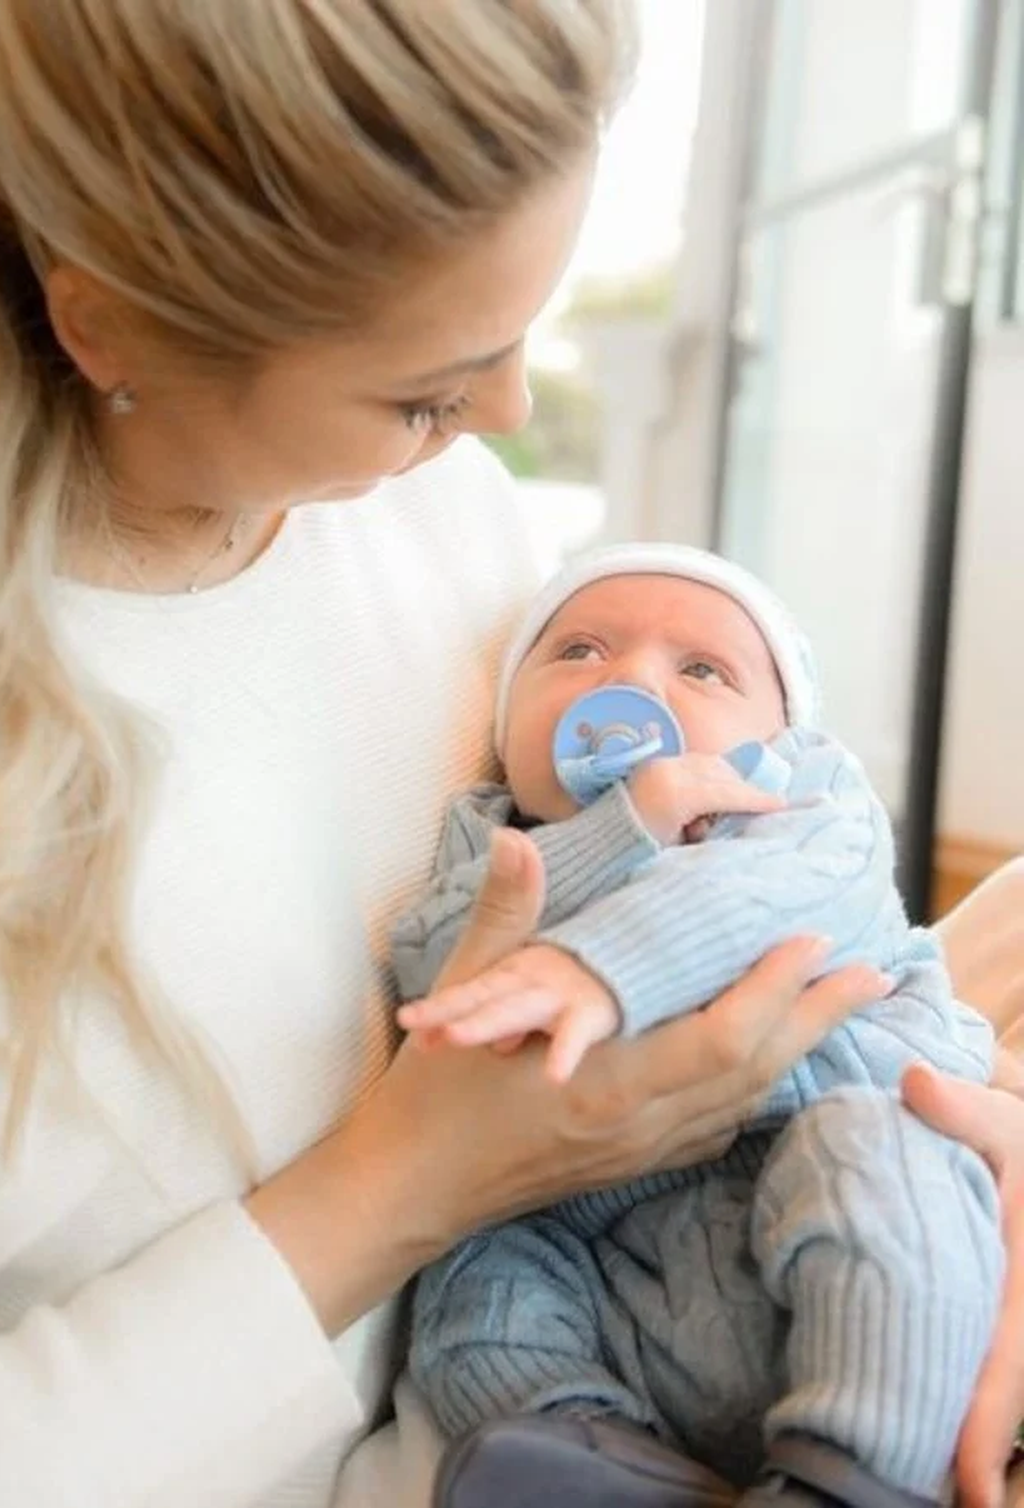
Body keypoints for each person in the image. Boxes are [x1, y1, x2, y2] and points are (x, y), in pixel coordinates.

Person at [0, 5, 1018, 1508]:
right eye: (428, 387)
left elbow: (763, 899)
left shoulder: (428, 520)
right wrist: (411, 1183)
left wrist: (960, 1158)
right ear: (106, 321)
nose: (508, 419)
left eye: (519, 342)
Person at [394, 545, 1003, 1507]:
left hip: (820, 1148)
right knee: (472, 1273)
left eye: (703, 670)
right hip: (608, 1240)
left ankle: (860, 1467)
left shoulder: (810, 812)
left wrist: (599, 962)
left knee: (878, 1157)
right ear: (507, 729)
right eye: (581, 652)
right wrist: (616, 831)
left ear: (783, 733)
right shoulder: (492, 846)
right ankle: (586, 1449)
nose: (632, 681)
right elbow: (439, 970)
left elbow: (776, 905)